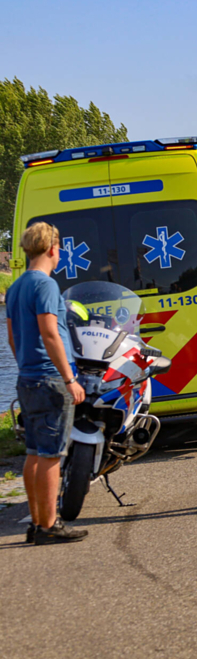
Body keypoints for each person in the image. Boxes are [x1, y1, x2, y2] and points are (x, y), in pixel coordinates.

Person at [6, 222, 87, 544]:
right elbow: (50, 332)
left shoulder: (15, 287)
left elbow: (13, 337)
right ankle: (49, 525)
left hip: (27, 377)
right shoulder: (46, 286)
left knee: (34, 452)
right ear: (53, 249)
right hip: (50, 378)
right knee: (52, 454)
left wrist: (26, 364)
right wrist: (69, 378)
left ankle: (37, 524)